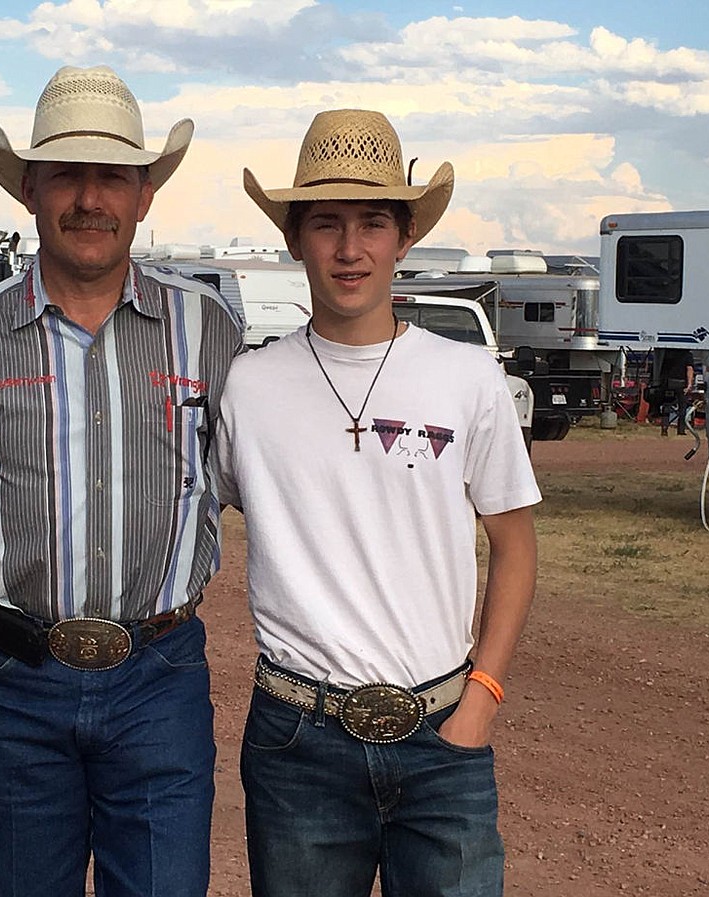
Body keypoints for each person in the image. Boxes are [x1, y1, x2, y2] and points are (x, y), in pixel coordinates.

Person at [0, 65, 241, 897]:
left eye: (113, 176)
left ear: (144, 195)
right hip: (13, 679)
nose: (89, 198)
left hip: (159, 677)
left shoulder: (208, 332)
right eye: (67, 173)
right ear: (29, 189)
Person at [216, 110, 541, 897]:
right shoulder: (249, 386)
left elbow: (516, 545)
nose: (349, 248)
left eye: (372, 223)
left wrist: (484, 699)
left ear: (404, 237)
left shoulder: (467, 379)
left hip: (443, 735)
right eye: (325, 223)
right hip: (300, 738)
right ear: (295, 240)